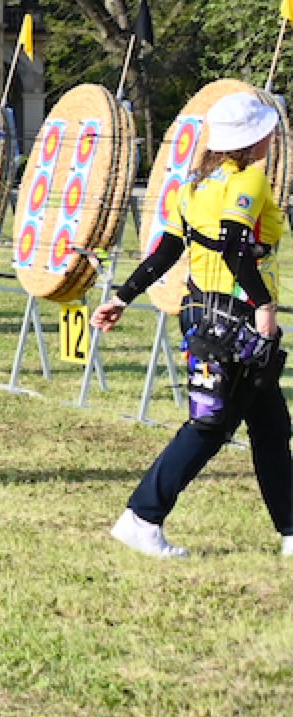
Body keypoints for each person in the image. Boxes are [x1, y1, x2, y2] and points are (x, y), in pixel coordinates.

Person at [94, 92, 290, 559]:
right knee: (209, 425)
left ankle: (290, 529)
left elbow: (165, 250)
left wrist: (123, 296)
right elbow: (235, 247)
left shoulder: (195, 186)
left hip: (203, 314)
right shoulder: (249, 181)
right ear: (255, 139)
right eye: (267, 130)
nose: (273, 136)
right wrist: (263, 306)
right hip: (236, 320)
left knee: (270, 426)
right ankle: (142, 516)